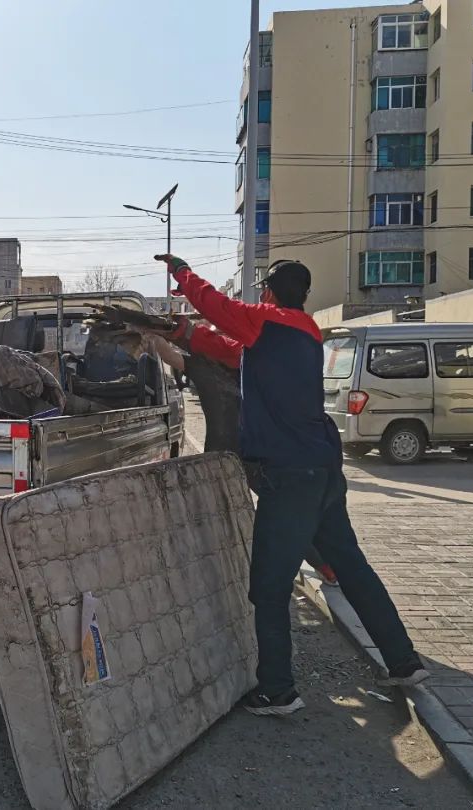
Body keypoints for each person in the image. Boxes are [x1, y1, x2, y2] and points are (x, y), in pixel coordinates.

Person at [152, 254, 428, 716]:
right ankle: (403, 661)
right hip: (322, 472)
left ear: (269, 292)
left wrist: (183, 274)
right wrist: (181, 334)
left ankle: (277, 690)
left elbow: (220, 309)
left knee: (269, 586)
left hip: (290, 477)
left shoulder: (267, 320)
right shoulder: (300, 332)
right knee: (353, 568)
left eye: (261, 291)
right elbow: (231, 350)